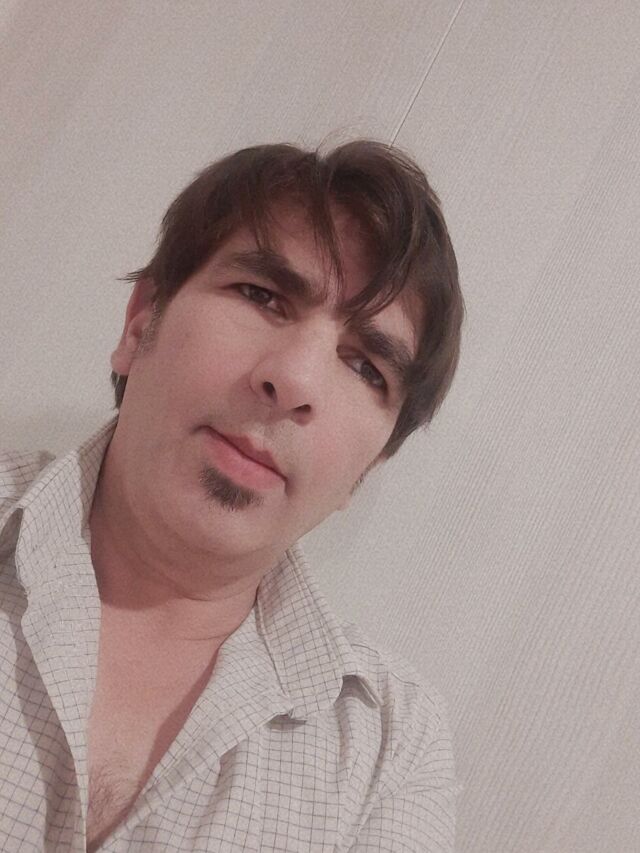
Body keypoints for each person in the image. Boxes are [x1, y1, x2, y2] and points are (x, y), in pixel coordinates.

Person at [0, 140, 465, 851]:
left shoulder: (390, 749)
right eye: (262, 296)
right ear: (141, 323)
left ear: (366, 470)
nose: (294, 380)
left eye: (365, 366)